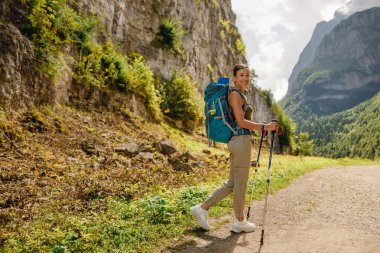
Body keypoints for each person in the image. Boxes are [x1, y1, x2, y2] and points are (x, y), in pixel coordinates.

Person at [190, 64, 278, 233]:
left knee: (232, 183)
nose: (245, 78)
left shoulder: (236, 94)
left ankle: (202, 208)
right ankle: (239, 221)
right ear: (235, 78)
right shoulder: (235, 94)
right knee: (240, 184)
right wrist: (266, 127)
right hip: (240, 141)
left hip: (236, 141)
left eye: (247, 75)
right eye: (241, 75)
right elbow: (241, 122)